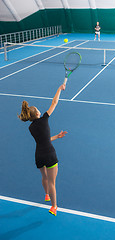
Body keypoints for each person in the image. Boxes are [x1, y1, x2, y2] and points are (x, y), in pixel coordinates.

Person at [18, 84, 67, 216]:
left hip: (39, 156)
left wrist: (57, 136)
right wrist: (59, 89)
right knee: (52, 182)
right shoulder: (45, 119)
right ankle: (54, 206)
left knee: (44, 177)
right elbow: (54, 102)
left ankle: (46, 195)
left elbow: (43, 140)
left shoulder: (31, 128)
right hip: (50, 155)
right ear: (38, 114)